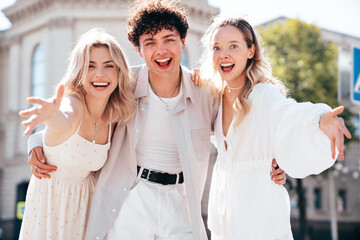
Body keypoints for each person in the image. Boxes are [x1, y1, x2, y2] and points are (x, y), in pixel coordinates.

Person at [26, 1, 286, 239]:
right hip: (132, 197)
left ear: (183, 42)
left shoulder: (204, 91)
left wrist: (272, 160)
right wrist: (36, 141)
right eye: (150, 42)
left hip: (181, 202)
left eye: (169, 39)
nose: (160, 50)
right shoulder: (123, 86)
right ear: (138, 49)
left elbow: (231, 134)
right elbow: (83, 116)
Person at [198, 15, 351, 239]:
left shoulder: (262, 94)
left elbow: (287, 113)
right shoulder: (214, 99)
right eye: (217, 47)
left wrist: (318, 119)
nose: (224, 54)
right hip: (226, 217)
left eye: (234, 46)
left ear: (251, 51)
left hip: (260, 216)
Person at [18, 28, 135, 240]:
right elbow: (63, 119)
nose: (99, 73)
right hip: (51, 210)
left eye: (109, 66)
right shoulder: (73, 103)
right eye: (90, 66)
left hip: (85, 211)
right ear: (79, 72)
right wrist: (50, 115)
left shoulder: (114, 117)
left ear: (119, 72)